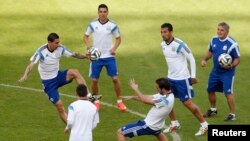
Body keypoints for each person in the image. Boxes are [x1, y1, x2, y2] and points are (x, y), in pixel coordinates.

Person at [18, 32, 98, 124]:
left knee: (75, 72)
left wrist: (86, 56)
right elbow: (31, 65)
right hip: (48, 83)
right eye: (56, 43)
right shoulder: (41, 51)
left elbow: (74, 54)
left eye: (59, 42)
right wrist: (25, 75)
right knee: (60, 106)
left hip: (58, 76)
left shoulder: (60, 48)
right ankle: (72, 126)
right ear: (49, 42)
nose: (58, 44)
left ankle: (89, 97)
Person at [160, 23, 208, 136]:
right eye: (161, 32)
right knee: (166, 100)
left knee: (187, 103)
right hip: (171, 78)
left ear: (171, 32)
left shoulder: (179, 44)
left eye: (165, 32)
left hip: (182, 79)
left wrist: (193, 76)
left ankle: (205, 125)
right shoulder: (162, 44)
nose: (163, 34)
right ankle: (174, 123)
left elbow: (191, 58)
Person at [83, 3, 127, 111]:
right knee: (94, 80)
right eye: (101, 12)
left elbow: (118, 38)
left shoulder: (112, 25)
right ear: (98, 13)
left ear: (107, 13)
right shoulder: (93, 24)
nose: (102, 14)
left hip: (108, 56)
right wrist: (89, 47)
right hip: (96, 56)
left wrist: (114, 49)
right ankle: (96, 101)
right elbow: (85, 36)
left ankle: (119, 101)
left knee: (115, 79)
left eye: (104, 12)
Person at [201, 22, 240, 121]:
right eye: (218, 29)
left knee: (228, 92)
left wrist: (231, 65)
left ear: (227, 31)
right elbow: (210, 51)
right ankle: (213, 109)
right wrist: (204, 59)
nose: (219, 32)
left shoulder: (232, 44)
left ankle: (232, 115)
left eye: (222, 30)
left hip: (227, 73)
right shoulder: (214, 39)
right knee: (210, 89)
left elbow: (237, 58)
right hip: (215, 71)